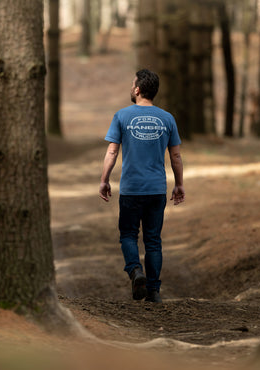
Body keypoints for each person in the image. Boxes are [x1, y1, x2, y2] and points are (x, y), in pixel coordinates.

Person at [99, 69, 185, 303]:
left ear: (137, 89)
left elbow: (112, 151)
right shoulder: (167, 118)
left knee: (128, 234)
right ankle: (154, 291)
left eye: (131, 84)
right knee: (153, 240)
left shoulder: (122, 116)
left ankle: (136, 271)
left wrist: (104, 179)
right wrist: (179, 184)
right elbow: (176, 156)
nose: (130, 87)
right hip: (157, 189)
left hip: (131, 189)